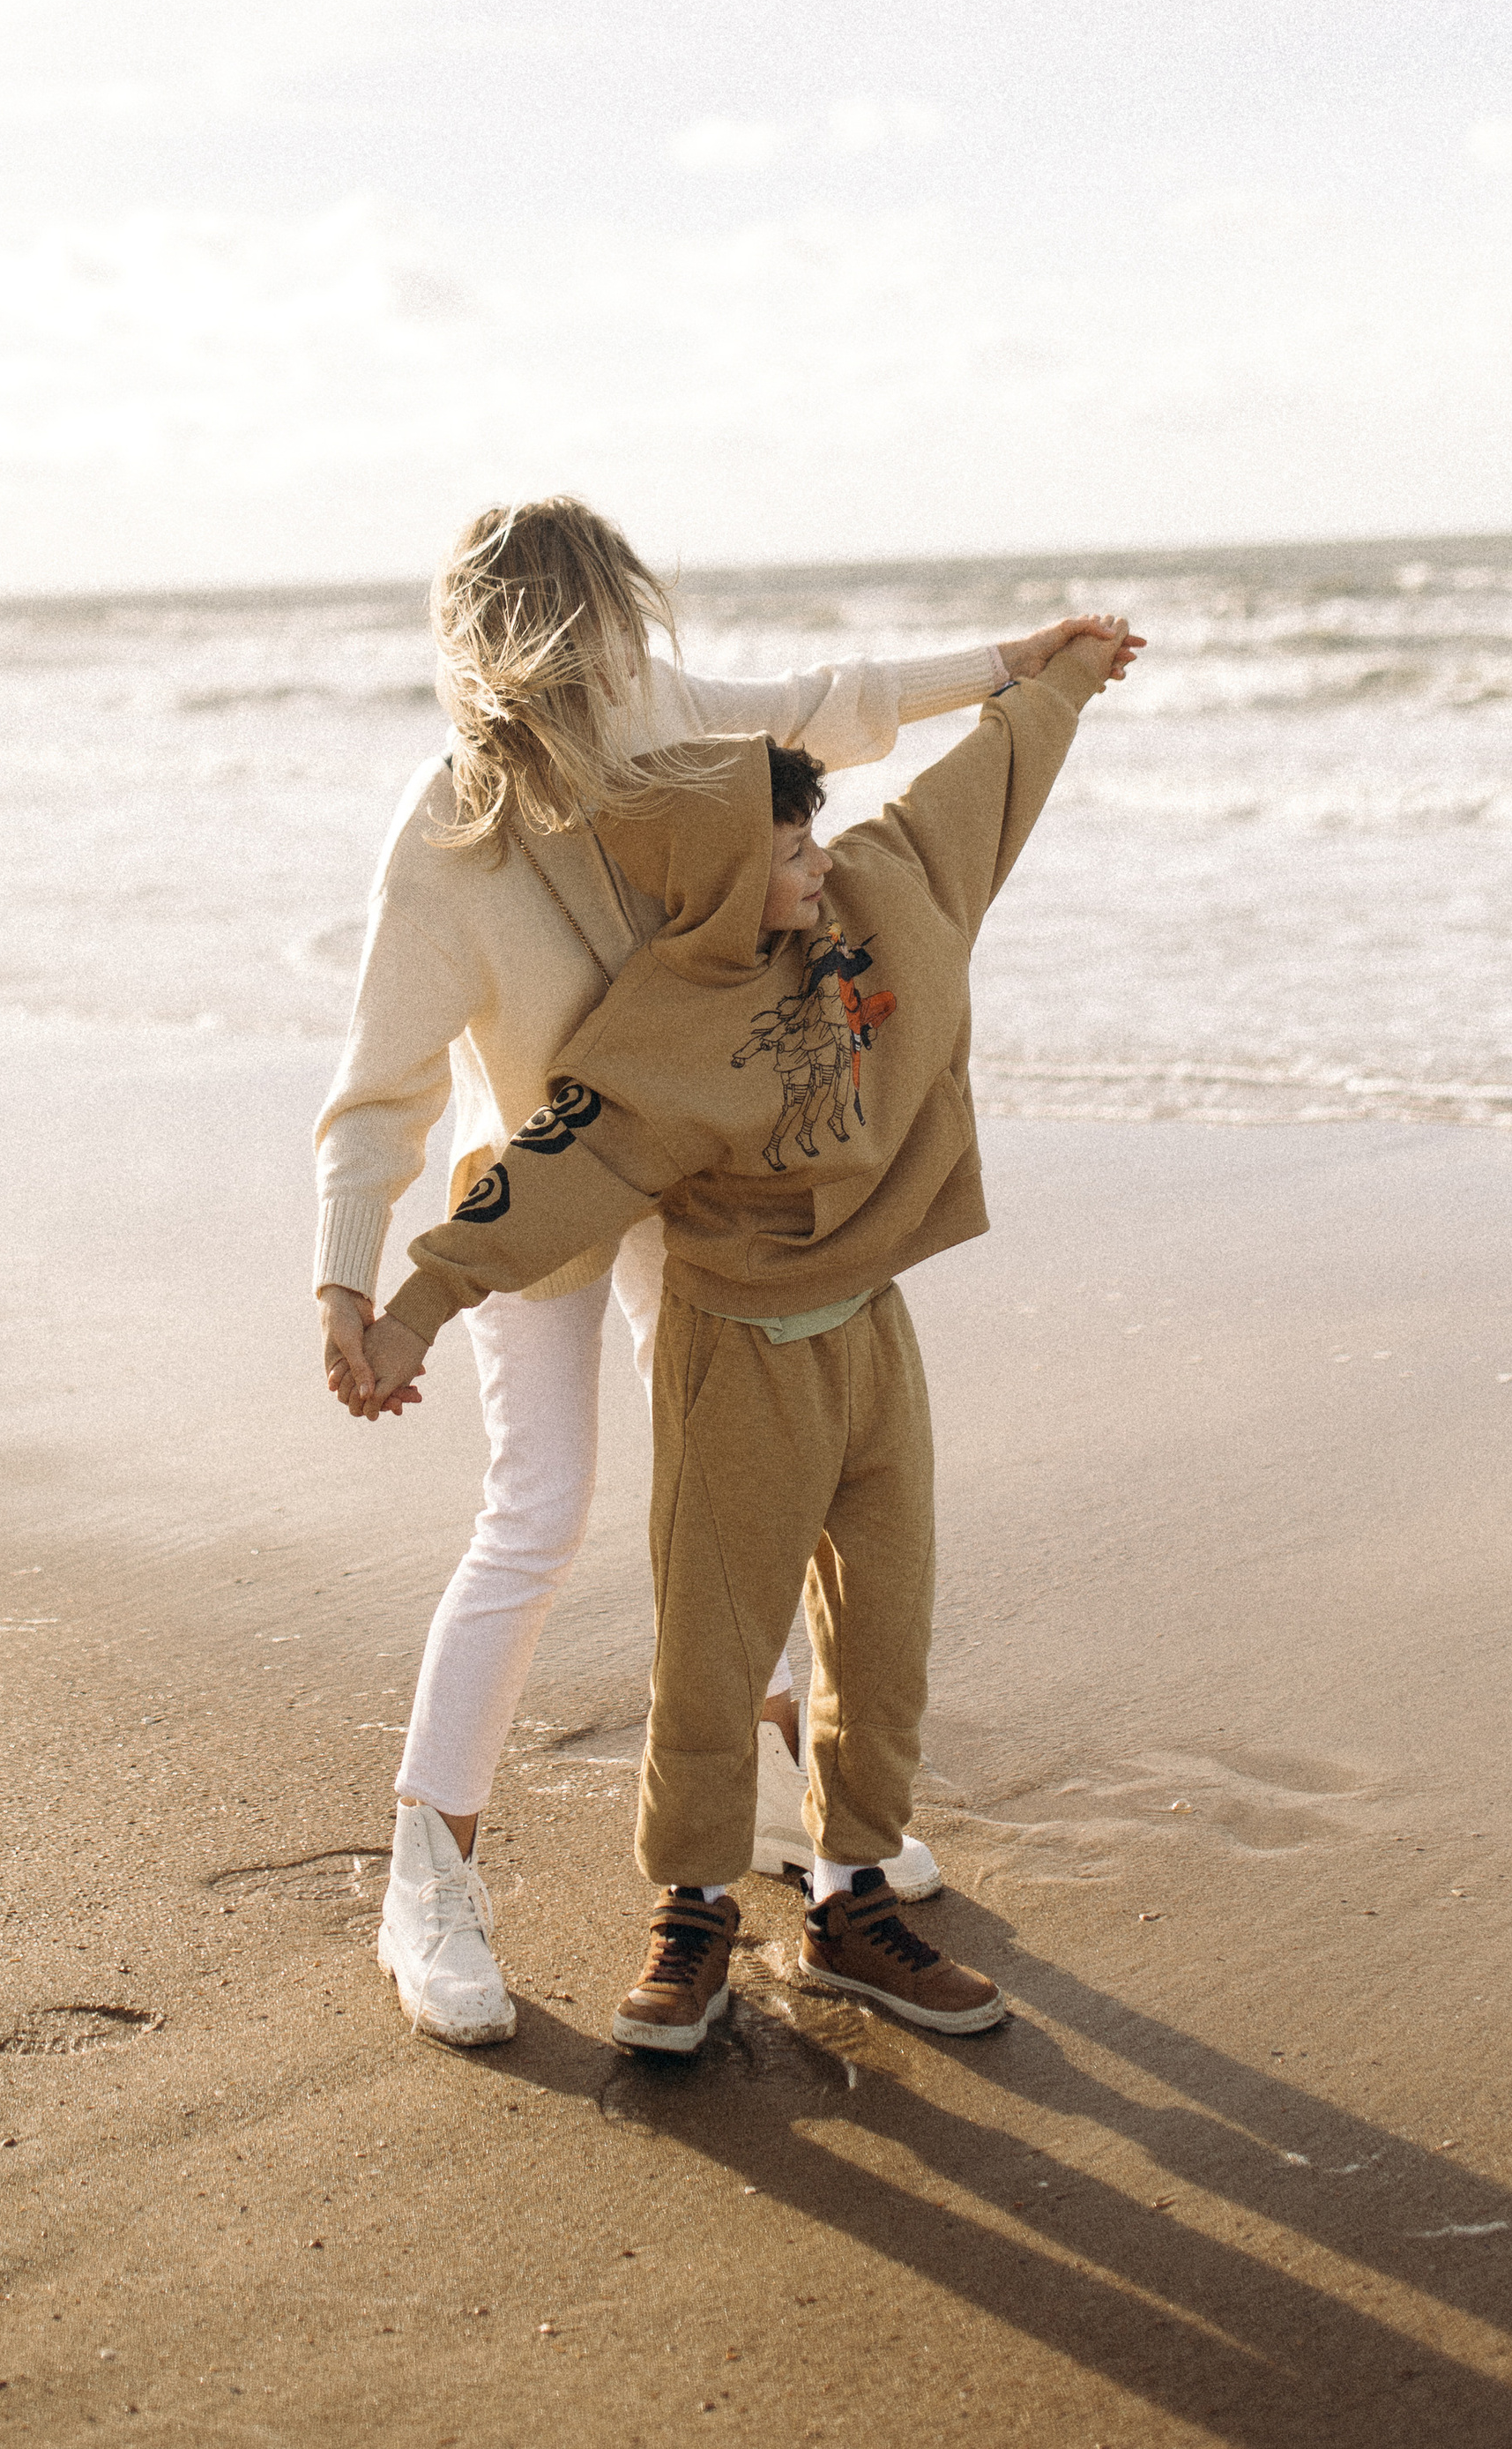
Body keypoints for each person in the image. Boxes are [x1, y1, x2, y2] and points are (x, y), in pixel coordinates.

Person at [315, 495, 1140, 2044]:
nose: (618, 673)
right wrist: (352, 1283)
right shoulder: (450, 832)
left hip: (707, 1180)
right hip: (550, 1182)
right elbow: (385, 1086)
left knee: (740, 1476)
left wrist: (1009, 665)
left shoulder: (664, 721)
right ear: (505, 658)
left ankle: (776, 1804)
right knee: (540, 1511)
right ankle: (428, 1879)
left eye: (623, 635)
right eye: (584, 645)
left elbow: (829, 708)